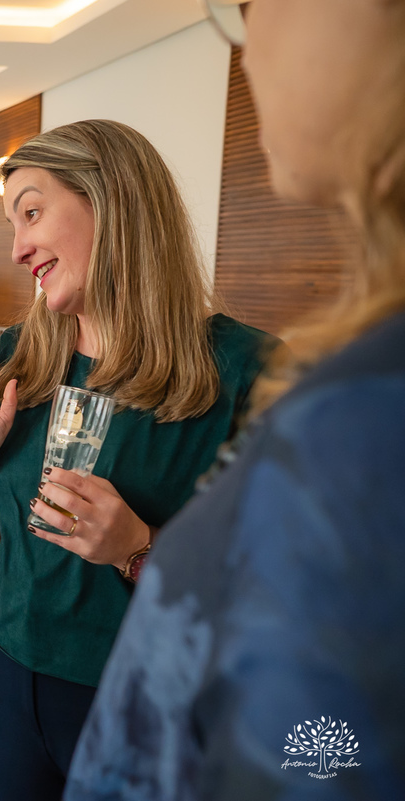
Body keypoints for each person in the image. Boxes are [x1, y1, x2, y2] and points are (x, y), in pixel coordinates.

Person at [65, 1, 405, 797]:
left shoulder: (332, 407)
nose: (242, 39)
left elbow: (321, 756)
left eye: (254, 3)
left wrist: (140, 548)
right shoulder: (348, 386)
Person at [0, 119, 275, 799]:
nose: (19, 247)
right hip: (7, 681)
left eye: (32, 211)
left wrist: (138, 549)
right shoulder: (19, 359)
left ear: (111, 198)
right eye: (13, 222)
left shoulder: (247, 373)